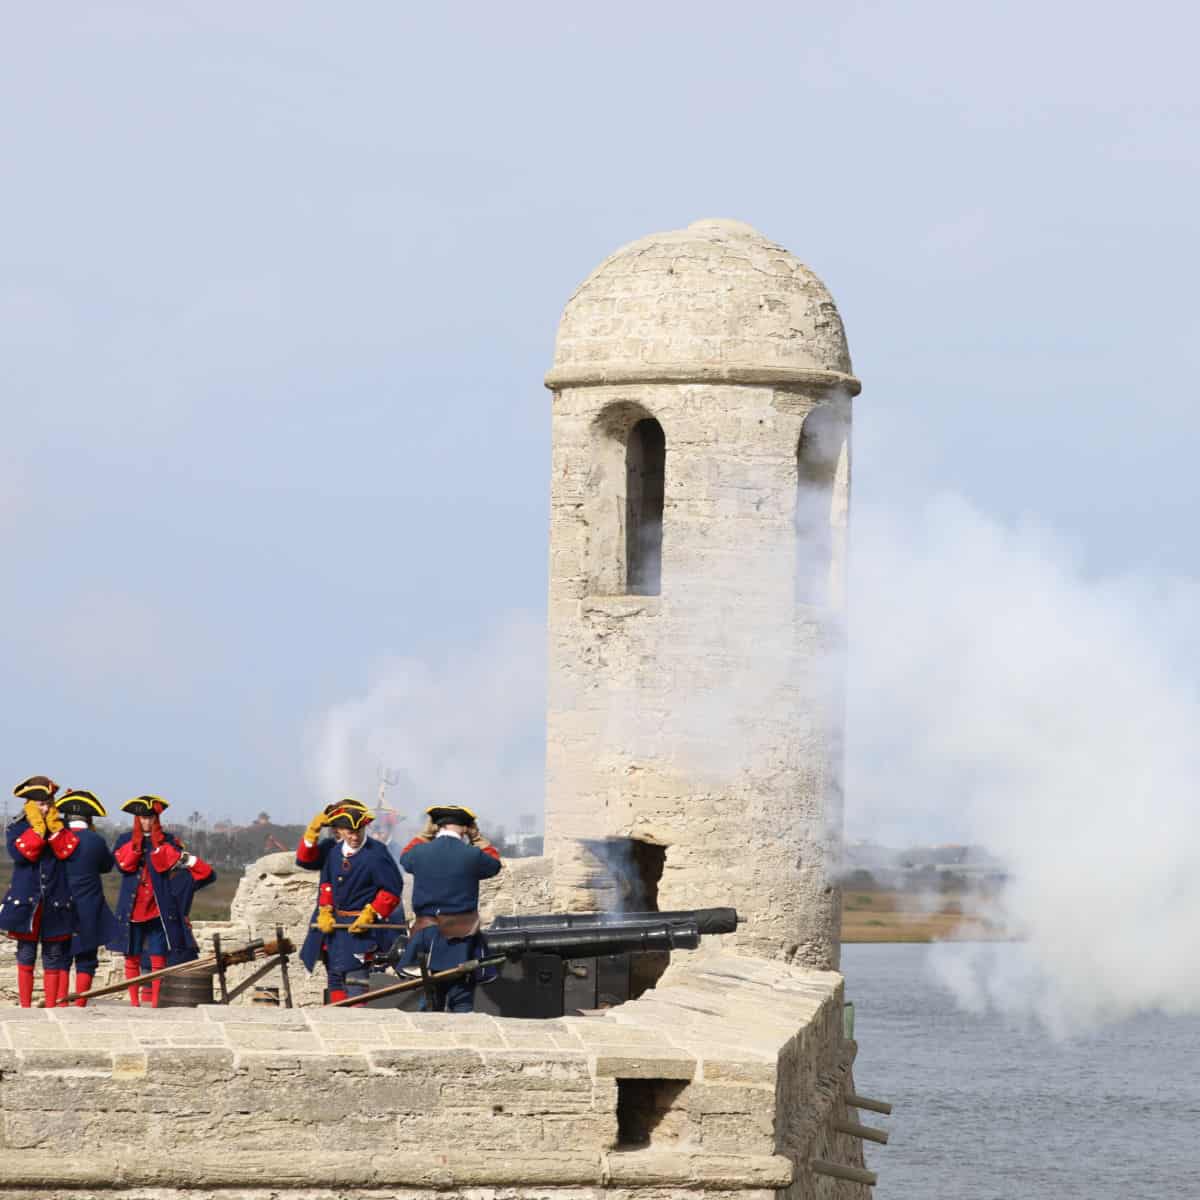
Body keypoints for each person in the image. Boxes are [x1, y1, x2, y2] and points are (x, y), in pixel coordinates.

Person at [396, 805, 502, 1013]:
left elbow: (405, 857)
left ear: (436, 826)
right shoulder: (472, 855)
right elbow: (494, 864)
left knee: (428, 999)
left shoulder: (419, 852)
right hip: (460, 938)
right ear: (465, 828)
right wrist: (478, 838)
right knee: (461, 1000)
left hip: (425, 935)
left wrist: (425, 834)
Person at [298, 805, 404, 1004]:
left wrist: (371, 913)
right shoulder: (333, 851)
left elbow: (392, 888)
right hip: (334, 930)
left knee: (357, 982)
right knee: (335, 978)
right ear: (340, 831)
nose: (355, 837)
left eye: (359, 831)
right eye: (350, 832)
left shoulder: (376, 852)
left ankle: (358, 1024)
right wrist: (325, 910)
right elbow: (327, 883)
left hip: (362, 930)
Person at [108, 796, 205, 1007]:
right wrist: (136, 845)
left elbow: (175, 864)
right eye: (142, 818)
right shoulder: (124, 840)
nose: (146, 822)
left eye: (150, 818)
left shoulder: (168, 840)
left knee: (158, 955)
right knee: (131, 955)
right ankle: (134, 1002)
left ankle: (155, 1002)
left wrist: (158, 844)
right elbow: (123, 865)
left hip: (157, 907)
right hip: (132, 907)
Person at [0, 776, 79, 1007]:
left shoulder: (60, 828)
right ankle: (25, 1007)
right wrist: (37, 829)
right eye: (40, 804)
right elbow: (23, 855)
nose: (45, 808)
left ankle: (52, 1006)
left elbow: (68, 852)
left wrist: (53, 830)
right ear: (30, 804)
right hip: (26, 902)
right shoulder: (17, 828)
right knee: (26, 954)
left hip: (56, 900)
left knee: (53, 956)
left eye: (48, 803)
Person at [58, 789, 118, 1007]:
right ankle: (80, 1004)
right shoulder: (96, 841)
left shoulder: (58, 839)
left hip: (60, 905)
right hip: (90, 905)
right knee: (87, 959)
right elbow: (106, 866)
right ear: (89, 818)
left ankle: (61, 1004)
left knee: (60, 958)